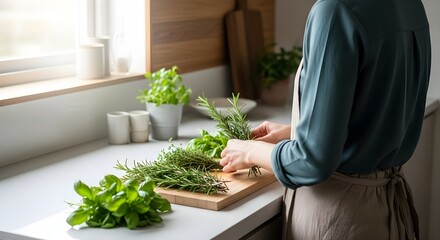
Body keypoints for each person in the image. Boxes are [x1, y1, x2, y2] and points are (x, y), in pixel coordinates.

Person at [220, 0, 431, 239]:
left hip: (342, 218)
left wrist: (249, 151)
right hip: (388, 214)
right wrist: (301, 131)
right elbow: (380, 109)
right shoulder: (410, 4)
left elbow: (312, 161)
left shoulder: (335, 10)